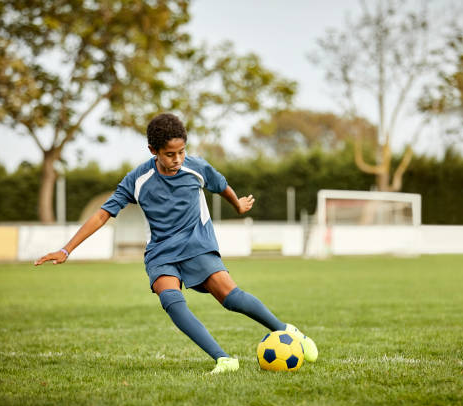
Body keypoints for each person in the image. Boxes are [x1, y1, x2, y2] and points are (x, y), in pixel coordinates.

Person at [35, 113, 318, 374]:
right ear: (153, 151)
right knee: (170, 298)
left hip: (197, 242)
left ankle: (288, 330)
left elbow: (221, 185)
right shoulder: (138, 179)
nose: (178, 159)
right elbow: (102, 214)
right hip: (161, 251)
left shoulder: (196, 168)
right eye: (170, 154)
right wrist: (66, 249)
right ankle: (223, 359)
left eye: (181, 152)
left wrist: (238, 205)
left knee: (229, 297)